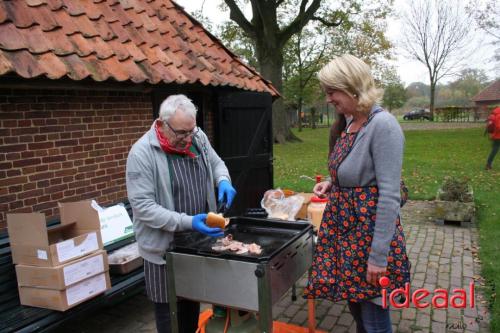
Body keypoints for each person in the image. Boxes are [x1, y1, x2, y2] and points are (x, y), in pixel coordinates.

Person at [304, 54, 410, 333]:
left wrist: (378, 258)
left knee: (375, 323)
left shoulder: (383, 126)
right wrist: (332, 182)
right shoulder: (349, 124)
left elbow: (389, 196)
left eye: (331, 91)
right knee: (358, 315)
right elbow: (356, 170)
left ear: (352, 87)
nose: (328, 99)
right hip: (348, 239)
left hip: (370, 241)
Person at [126, 94, 236, 333]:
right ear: (163, 124)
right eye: (181, 134)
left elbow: (217, 163)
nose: (188, 139)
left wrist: (223, 180)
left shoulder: (197, 137)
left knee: (191, 307)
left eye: (191, 131)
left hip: (197, 241)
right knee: (171, 319)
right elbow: (144, 208)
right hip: (164, 249)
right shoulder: (141, 154)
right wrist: (189, 222)